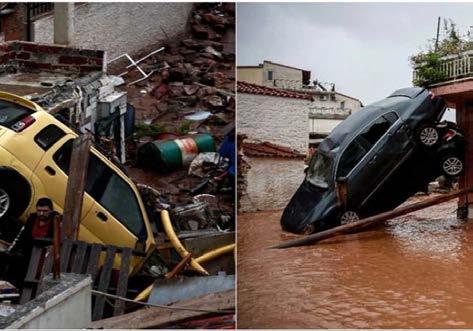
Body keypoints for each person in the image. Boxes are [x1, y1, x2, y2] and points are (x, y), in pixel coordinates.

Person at [1, 197, 61, 288]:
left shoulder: (56, 220)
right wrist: (11, 251)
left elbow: (57, 240)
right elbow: (21, 236)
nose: (41, 213)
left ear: (51, 210)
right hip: (28, 252)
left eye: (45, 211)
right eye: (39, 211)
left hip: (44, 255)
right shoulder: (32, 219)